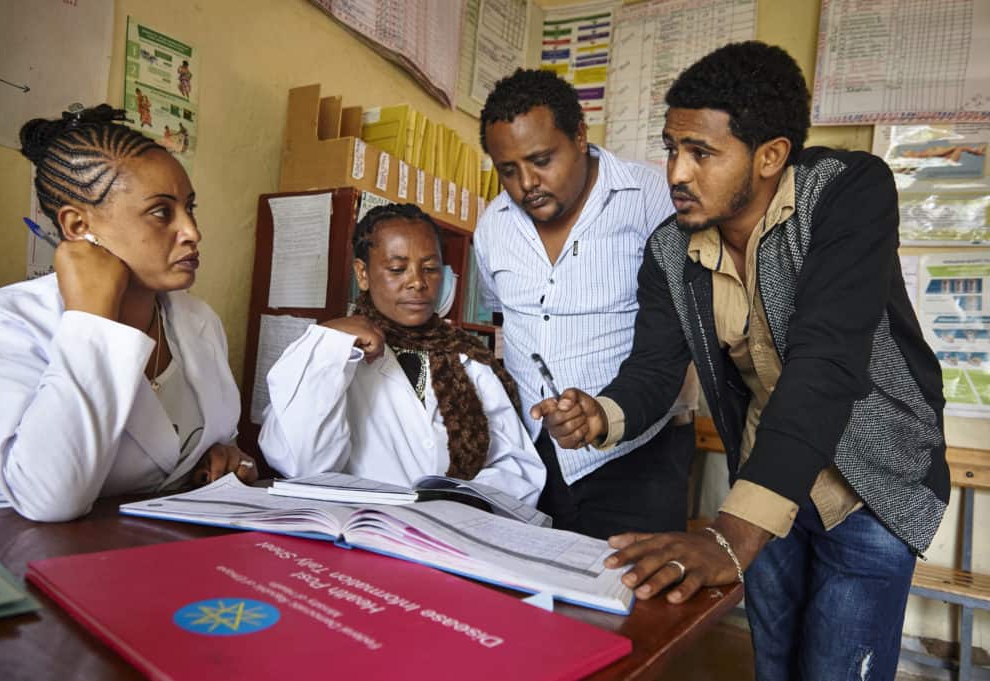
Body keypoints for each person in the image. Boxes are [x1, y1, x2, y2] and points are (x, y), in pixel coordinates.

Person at [535, 42, 948, 681]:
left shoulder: (848, 194)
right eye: (673, 148)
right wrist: (601, 415)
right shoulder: (671, 250)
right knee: (774, 665)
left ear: (770, 156)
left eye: (701, 152)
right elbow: (653, 371)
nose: (675, 172)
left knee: (840, 670)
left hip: (870, 484)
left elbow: (826, 363)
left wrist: (730, 537)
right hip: (766, 476)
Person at [0, 105, 257, 521]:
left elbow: (212, 438)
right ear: (78, 226)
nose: (192, 231)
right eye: (162, 212)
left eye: (190, 207)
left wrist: (224, 456)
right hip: (13, 564)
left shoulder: (197, 320)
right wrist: (92, 319)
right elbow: (51, 499)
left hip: (148, 553)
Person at [474, 68, 697, 537]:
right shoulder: (492, 225)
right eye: (507, 170)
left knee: (629, 602)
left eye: (541, 159)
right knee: (533, 598)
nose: (527, 183)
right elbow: (505, 319)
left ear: (579, 136)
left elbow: (680, 329)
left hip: (639, 457)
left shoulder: (653, 198)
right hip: (535, 456)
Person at [259, 203, 545, 504]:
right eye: (397, 269)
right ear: (362, 273)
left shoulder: (469, 358)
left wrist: (461, 501)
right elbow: (304, 464)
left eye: (431, 268)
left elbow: (517, 466)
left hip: (450, 533)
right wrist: (329, 347)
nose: (418, 282)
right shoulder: (328, 353)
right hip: (360, 530)